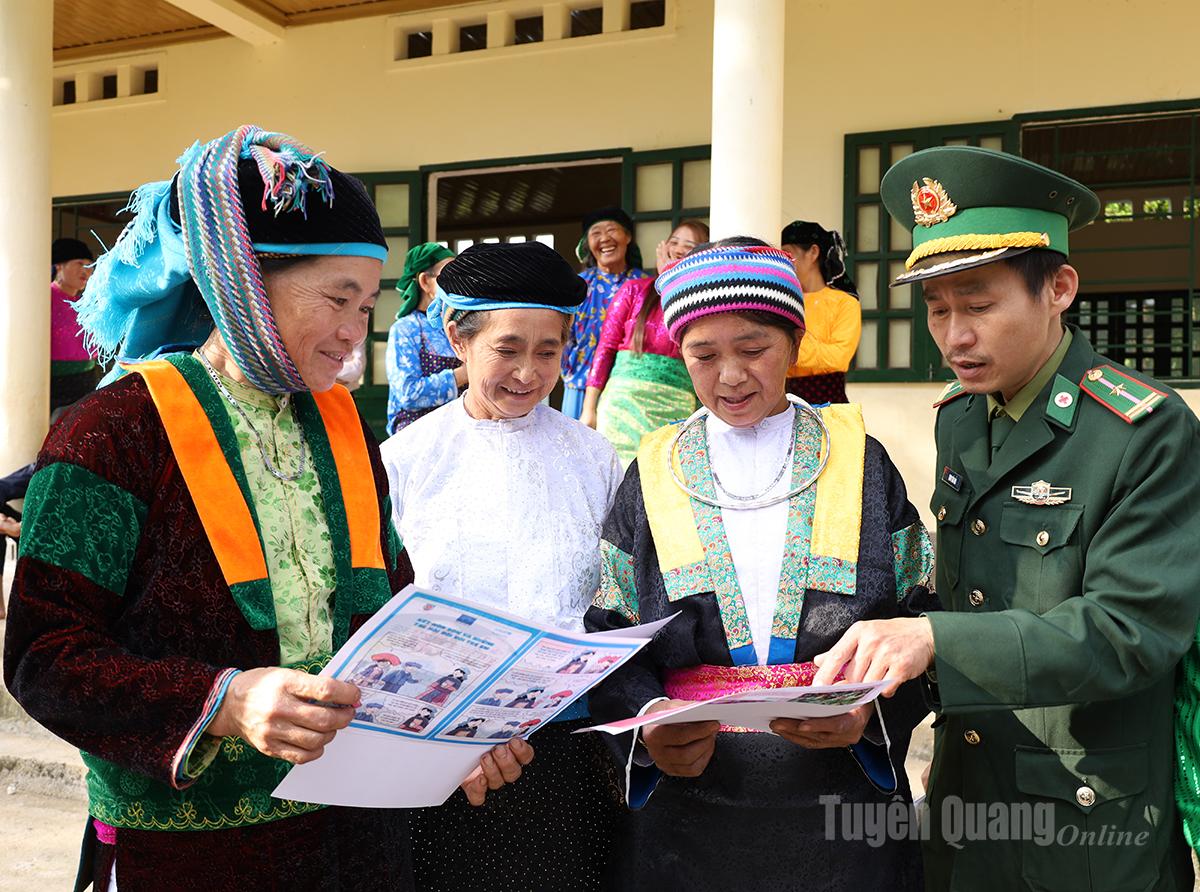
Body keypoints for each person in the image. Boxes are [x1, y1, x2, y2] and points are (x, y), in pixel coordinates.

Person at [3, 125, 417, 892]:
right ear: (244, 282)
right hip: (192, 853)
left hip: (362, 834)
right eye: (336, 298)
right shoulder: (110, 434)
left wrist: (463, 723)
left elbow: (393, 615)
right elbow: (43, 659)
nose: (355, 333)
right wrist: (222, 701)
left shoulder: (343, 430)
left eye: (367, 304)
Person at [811, 146, 1200, 891]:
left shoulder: (1142, 429)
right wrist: (868, 697)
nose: (955, 336)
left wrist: (934, 642)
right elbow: (965, 601)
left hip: (1087, 821)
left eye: (980, 305)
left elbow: (1131, 632)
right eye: (936, 309)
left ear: (1059, 288)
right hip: (969, 804)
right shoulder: (961, 419)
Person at [585, 238, 935, 889]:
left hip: (841, 801)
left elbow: (920, 612)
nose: (730, 376)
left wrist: (871, 717)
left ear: (795, 345)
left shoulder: (860, 461)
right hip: (688, 809)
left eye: (753, 350)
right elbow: (610, 626)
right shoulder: (654, 471)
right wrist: (647, 730)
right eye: (704, 355)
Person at [381, 241, 625, 890]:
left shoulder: (595, 459)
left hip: (570, 751)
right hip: (438, 749)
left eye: (548, 351)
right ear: (459, 343)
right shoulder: (407, 459)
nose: (529, 372)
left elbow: (619, 600)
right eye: (507, 349)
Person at [580, 220, 707, 465]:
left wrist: (673, 285)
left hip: (676, 409)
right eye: (674, 242)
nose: (679, 249)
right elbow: (605, 349)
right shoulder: (633, 290)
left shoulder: (701, 304)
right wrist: (589, 409)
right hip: (622, 406)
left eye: (689, 245)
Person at [561, 207, 649, 419]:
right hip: (579, 384)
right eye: (596, 233)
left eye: (611, 230)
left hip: (627, 387)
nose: (605, 238)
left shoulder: (644, 286)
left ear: (627, 236)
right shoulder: (576, 285)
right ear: (587, 244)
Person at [779, 220, 861, 404]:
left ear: (813, 252)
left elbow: (838, 358)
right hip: (783, 403)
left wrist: (791, 350)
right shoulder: (783, 301)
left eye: (789, 254)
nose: (785, 262)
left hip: (830, 404)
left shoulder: (844, 303)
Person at [385, 243, 461, 433]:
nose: (456, 284)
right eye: (448, 276)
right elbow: (408, 393)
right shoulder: (406, 329)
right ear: (425, 281)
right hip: (415, 438)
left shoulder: (460, 326)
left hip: (458, 433)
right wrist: (463, 374)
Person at [50, 237, 102, 412]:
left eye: (89, 265)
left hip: (87, 380)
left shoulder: (86, 302)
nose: (86, 270)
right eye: (79, 263)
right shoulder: (44, 297)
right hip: (54, 385)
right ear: (59, 265)